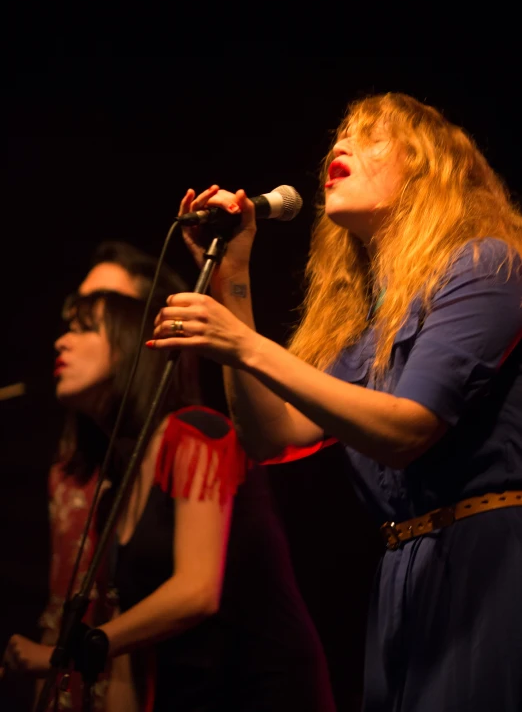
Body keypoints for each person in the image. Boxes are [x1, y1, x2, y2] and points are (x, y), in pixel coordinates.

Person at [149, 92, 522, 711]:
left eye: (371, 136)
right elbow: (274, 435)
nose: (340, 146)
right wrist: (233, 277)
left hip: (488, 560)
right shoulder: (370, 320)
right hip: (408, 570)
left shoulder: (486, 264)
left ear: (427, 170)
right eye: (340, 135)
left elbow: (406, 431)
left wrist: (244, 344)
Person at [3, 242, 336, 712]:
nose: (61, 340)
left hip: (256, 689)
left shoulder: (196, 434)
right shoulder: (118, 473)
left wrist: (68, 653)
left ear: (130, 337)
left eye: (85, 327)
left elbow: (196, 592)